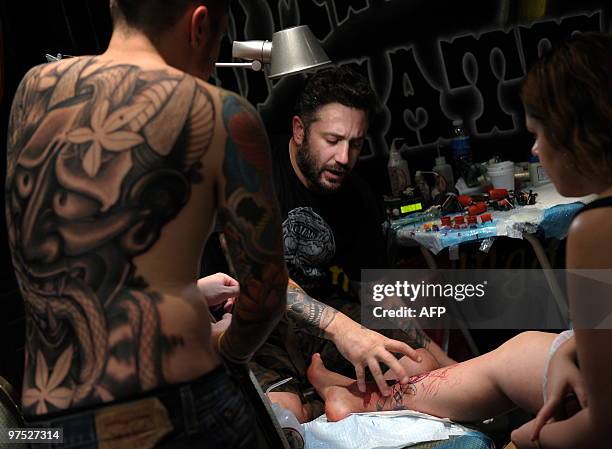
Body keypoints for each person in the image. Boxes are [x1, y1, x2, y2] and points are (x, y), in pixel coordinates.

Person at [299, 32, 612, 449]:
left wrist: (523, 438)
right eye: (333, 141)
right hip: (299, 323)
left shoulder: (595, 229)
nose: (535, 151)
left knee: (429, 361)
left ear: (578, 135)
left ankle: (357, 399)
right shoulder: (265, 187)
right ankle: (355, 396)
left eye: (539, 134)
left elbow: (602, 425)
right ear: (299, 130)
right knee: (488, 356)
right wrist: (571, 347)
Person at [5, 0, 288, 447]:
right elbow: (266, 296)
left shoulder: (35, 90)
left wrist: (184, 295)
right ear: (198, 26)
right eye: (217, 42)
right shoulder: (224, 115)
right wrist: (226, 349)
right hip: (175, 411)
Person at [249, 67, 454, 423]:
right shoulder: (254, 174)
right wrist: (344, 330)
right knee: (286, 417)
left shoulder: (357, 194)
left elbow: (377, 293)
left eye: (355, 144)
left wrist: (446, 360)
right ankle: (324, 398)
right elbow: (264, 279)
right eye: (332, 140)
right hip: (259, 320)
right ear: (299, 130)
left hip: (326, 320)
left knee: (423, 366)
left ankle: (333, 388)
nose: (344, 157)